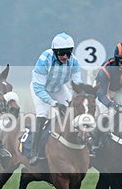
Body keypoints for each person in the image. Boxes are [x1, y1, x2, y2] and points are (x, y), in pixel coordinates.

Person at [28, 32, 83, 165]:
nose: (65, 56)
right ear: (54, 52)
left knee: (72, 111)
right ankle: (34, 151)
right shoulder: (44, 59)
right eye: (61, 53)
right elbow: (39, 88)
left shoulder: (74, 62)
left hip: (58, 88)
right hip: (40, 88)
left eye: (68, 53)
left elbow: (77, 87)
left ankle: (79, 143)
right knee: (43, 113)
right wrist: (53, 103)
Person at [92, 40, 122, 153]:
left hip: (121, 89)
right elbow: (102, 95)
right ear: (117, 59)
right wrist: (113, 105)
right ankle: (94, 143)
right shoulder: (105, 70)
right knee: (106, 115)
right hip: (103, 90)